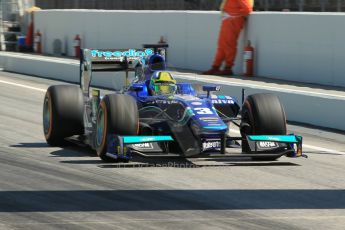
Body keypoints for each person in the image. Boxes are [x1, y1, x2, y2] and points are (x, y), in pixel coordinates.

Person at [203, 0, 253, 76]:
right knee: (221, 44)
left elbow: (247, 9)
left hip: (233, 20)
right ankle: (216, 67)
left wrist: (235, 15)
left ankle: (228, 68)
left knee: (229, 44)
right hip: (228, 19)